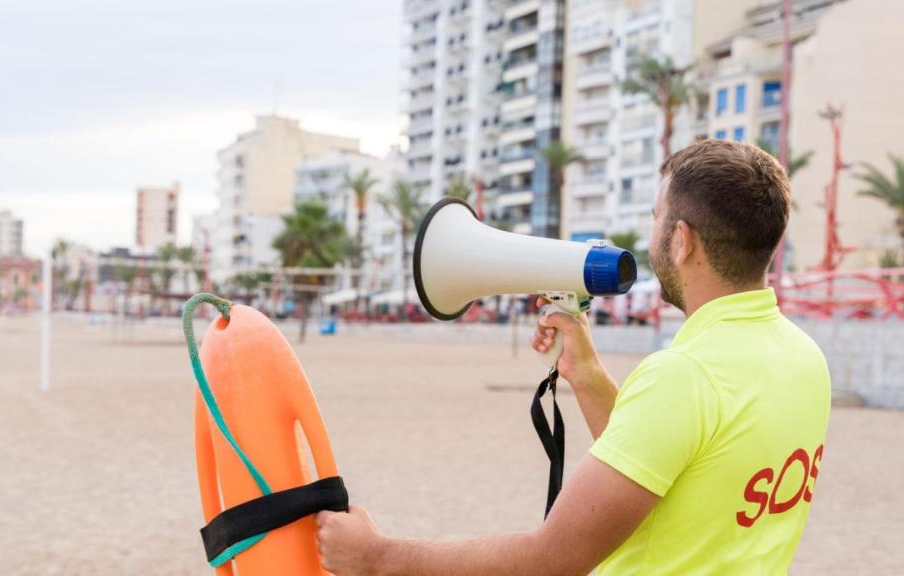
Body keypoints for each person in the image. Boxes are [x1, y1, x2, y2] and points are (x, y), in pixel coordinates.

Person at [316, 140, 831, 575]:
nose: (651, 234)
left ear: (680, 241)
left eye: (656, 219)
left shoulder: (685, 376)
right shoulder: (804, 358)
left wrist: (377, 557)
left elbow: (554, 558)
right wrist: (583, 371)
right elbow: (665, 467)